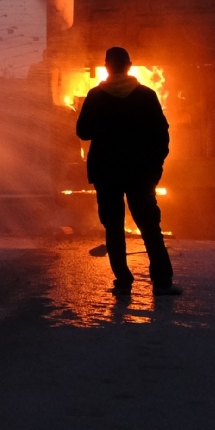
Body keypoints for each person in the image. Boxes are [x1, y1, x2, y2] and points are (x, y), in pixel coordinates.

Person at [75, 46, 179, 296]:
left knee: (113, 227)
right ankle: (162, 282)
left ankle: (123, 281)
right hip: (140, 173)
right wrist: (155, 166)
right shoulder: (146, 95)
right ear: (129, 66)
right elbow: (161, 134)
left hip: (106, 173)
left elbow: (83, 132)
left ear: (107, 67)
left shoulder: (95, 96)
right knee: (150, 226)